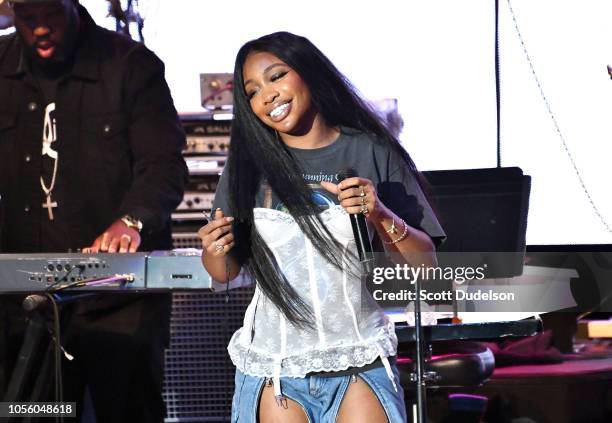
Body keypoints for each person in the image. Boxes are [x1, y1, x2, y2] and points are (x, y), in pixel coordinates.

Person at [198, 32, 445, 423]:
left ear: (308, 73)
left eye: (277, 76)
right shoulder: (248, 165)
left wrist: (379, 213)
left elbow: (426, 268)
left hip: (358, 356)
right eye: (253, 91)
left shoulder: (371, 150)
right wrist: (214, 251)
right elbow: (224, 272)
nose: (268, 95)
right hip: (276, 366)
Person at [0, 0, 187, 422]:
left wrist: (132, 220)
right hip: (24, 303)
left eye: (50, 15)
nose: (41, 30)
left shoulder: (130, 65)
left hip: (118, 302)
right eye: (29, 19)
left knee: (127, 412)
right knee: (38, 412)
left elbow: (164, 164)